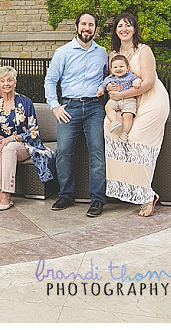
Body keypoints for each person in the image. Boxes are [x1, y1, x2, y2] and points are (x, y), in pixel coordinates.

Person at [104, 12, 170, 217]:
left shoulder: (144, 50)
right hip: (127, 103)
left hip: (150, 100)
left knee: (136, 138)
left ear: (134, 29)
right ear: (115, 30)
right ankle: (127, 188)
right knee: (109, 128)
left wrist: (122, 93)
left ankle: (147, 196)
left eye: (128, 25)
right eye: (120, 26)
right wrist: (111, 90)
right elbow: (112, 79)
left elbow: (148, 82)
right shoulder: (112, 53)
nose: (124, 29)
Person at [44, 11, 109, 217]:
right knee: (63, 151)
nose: (87, 28)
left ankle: (97, 199)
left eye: (91, 25)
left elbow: (107, 78)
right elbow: (50, 81)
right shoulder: (63, 52)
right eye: (83, 24)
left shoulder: (102, 53)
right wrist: (55, 106)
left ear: (95, 29)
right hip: (69, 108)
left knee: (97, 151)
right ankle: (66, 195)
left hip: (94, 108)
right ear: (76, 27)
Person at [0, 66, 55, 210]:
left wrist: (12, 138)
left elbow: (33, 131)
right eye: (2, 81)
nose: (6, 84)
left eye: (9, 80)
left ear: (15, 82)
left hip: (25, 144)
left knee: (9, 148)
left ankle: (7, 195)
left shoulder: (25, 102)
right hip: (5, 143)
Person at [97, 52, 141, 140]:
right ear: (111, 69)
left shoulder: (130, 76)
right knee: (108, 107)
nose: (118, 69)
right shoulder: (110, 78)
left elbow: (137, 79)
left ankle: (124, 133)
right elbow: (103, 85)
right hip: (114, 100)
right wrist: (100, 90)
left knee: (127, 115)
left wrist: (136, 82)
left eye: (121, 67)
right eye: (115, 67)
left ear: (127, 68)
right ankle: (114, 122)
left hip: (128, 99)